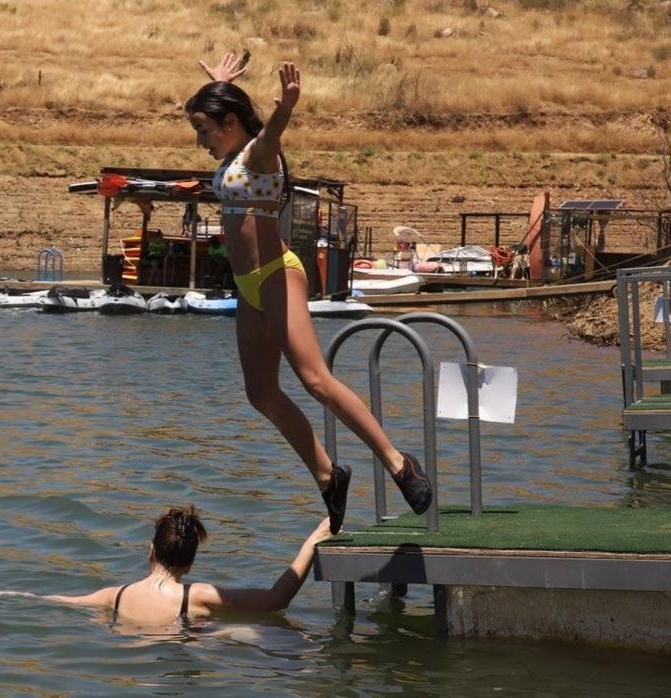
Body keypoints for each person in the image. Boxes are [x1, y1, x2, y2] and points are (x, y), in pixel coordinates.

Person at [187, 54, 431, 534]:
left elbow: (272, 131)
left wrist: (287, 106)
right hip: (247, 287)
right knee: (261, 393)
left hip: (278, 274)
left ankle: (399, 463)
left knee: (315, 380)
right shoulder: (236, 154)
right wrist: (218, 86)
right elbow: (237, 123)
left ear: (231, 123)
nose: (200, 142)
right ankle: (328, 474)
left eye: (204, 130)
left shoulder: (260, 151)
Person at [46, 506, 331, 625]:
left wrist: (11, 596)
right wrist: (316, 537)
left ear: (151, 552)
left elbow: (61, 601)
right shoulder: (198, 597)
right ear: (190, 564)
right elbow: (277, 599)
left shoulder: (114, 596)